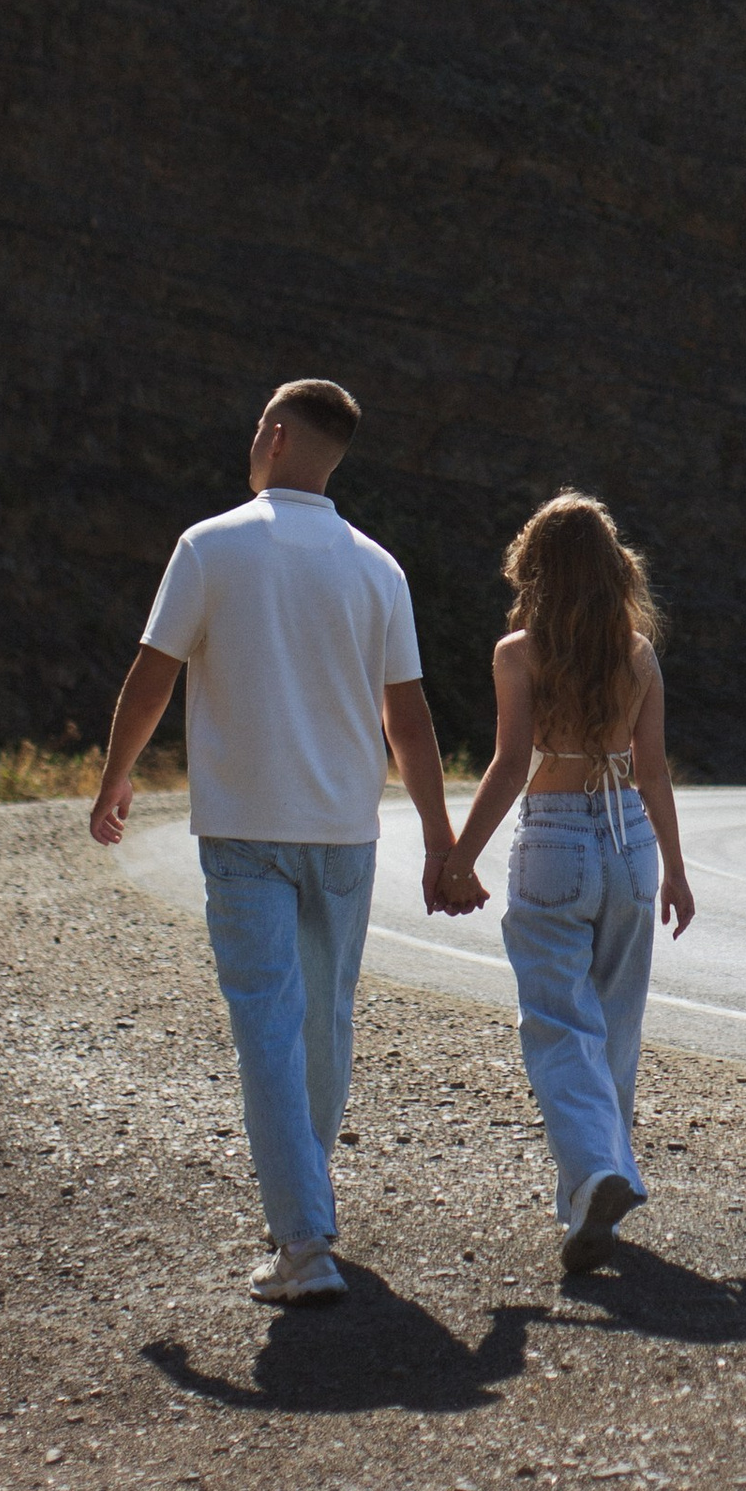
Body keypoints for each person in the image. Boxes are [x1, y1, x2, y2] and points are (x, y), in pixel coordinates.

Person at [88, 378, 462, 1306]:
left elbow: (152, 675)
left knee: (266, 1028)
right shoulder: (379, 569)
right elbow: (407, 719)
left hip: (244, 832)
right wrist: (439, 837)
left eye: (258, 427)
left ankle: (303, 1242)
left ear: (279, 436)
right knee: (322, 1027)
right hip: (344, 833)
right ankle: (305, 1211)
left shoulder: (208, 547)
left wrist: (115, 775)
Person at [438, 490, 695, 1274]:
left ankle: (595, 1175)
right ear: (615, 569)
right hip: (630, 845)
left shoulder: (517, 653)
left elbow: (512, 764)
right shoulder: (638, 652)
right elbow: (651, 770)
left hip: (555, 841)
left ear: (535, 569)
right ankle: (594, 1205)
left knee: (556, 1023)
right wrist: (676, 870)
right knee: (614, 1026)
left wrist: (459, 855)